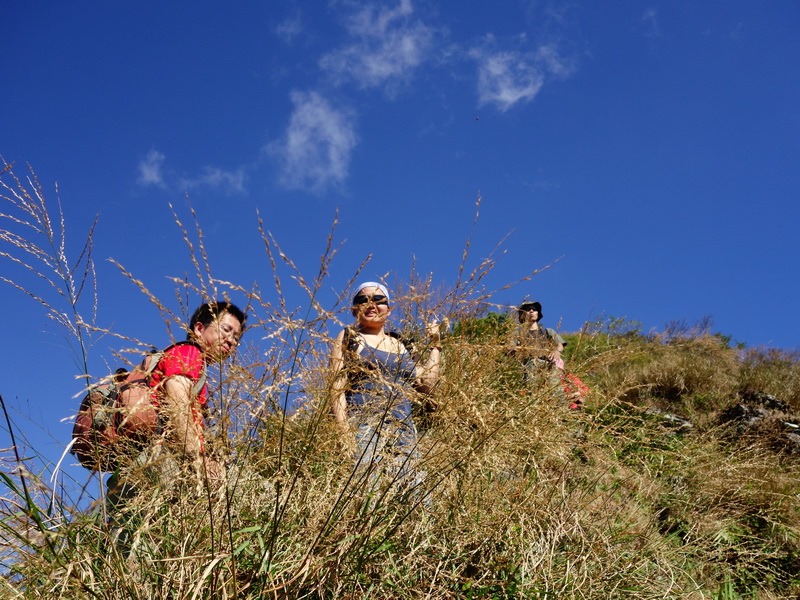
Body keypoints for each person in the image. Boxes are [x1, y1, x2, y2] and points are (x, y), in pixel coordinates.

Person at [107, 301, 246, 524]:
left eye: (236, 338)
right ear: (199, 329)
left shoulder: (192, 362)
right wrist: (198, 462)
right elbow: (177, 403)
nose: (231, 341)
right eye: (226, 330)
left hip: (139, 465)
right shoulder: (190, 352)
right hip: (157, 462)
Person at [329, 282, 441, 486]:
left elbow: (426, 385)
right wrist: (344, 434)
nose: (371, 304)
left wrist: (436, 345)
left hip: (405, 432)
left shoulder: (403, 343)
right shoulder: (349, 336)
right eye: (363, 300)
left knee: (413, 499)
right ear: (355, 309)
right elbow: (336, 389)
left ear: (388, 310)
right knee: (366, 495)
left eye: (378, 300)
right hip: (364, 429)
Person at [513, 301, 567, 401]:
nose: (531, 311)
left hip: (549, 364)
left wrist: (557, 352)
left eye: (534, 309)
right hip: (530, 364)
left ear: (538, 313)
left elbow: (560, 344)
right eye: (528, 309)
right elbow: (510, 346)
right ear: (523, 314)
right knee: (533, 394)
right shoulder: (519, 333)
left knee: (558, 394)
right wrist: (516, 349)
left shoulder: (547, 331)